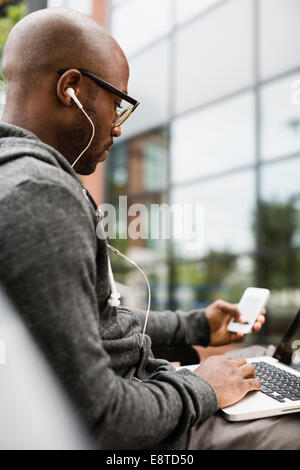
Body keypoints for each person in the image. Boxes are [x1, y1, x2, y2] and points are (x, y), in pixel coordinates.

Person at [0, 8, 298, 450]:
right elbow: (101, 419)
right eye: (117, 103)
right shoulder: (39, 196)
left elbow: (89, 324)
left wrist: (197, 326)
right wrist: (205, 388)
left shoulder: (21, 179)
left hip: (149, 393)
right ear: (71, 90)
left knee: (258, 363)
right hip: (145, 431)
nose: (118, 128)